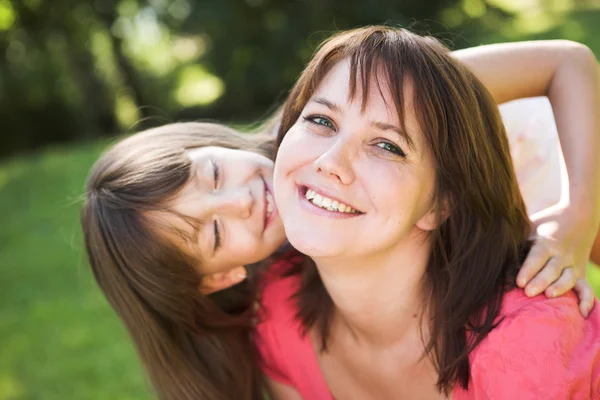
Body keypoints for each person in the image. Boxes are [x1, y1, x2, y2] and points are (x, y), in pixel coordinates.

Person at [81, 33, 600, 399]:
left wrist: (577, 214)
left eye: (214, 174)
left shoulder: (374, 95)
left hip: (562, 150)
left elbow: (567, 63)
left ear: (211, 144)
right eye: (214, 232)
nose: (240, 201)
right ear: (220, 277)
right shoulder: (298, 276)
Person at [258, 26, 600, 399]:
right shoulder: (276, 308)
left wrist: (579, 211)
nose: (329, 162)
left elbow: (567, 60)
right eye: (321, 120)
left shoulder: (525, 352)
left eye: (387, 145)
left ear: (441, 203)